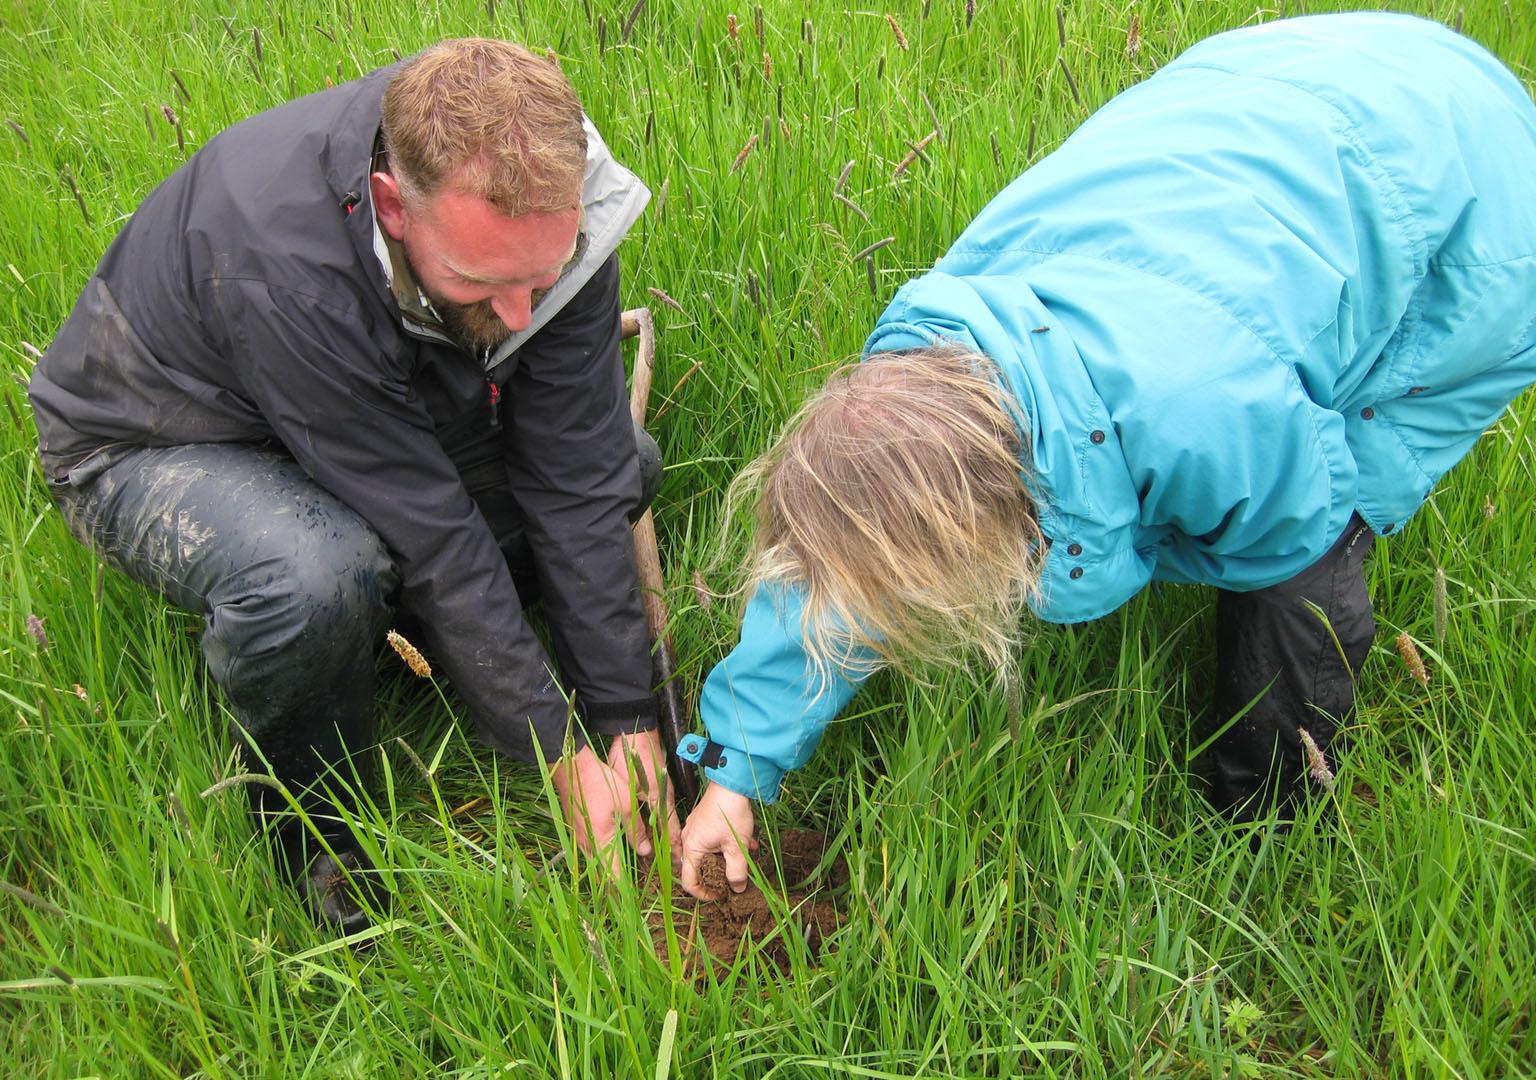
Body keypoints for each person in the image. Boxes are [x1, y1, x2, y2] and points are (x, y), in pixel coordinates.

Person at [676, 12, 1536, 898]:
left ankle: (1264, 837)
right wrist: (735, 773)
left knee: (1309, 556)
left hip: (1484, 201)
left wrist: (1147, 556)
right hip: (1280, 79)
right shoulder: (919, 371)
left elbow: (1292, 536)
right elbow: (851, 559)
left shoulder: (1210, 414)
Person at [28, 39, 679, 930]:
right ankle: (323, 860)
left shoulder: (550, 204)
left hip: (353, 406)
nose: (525, 313)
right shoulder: (283, 265)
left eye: (546, 275)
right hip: (156, 443)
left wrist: (620, 715)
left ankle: (381, 640)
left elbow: (574, 472)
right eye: (486, 283)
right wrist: (557, 750)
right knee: (314, 577)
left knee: (624, 467)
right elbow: (438, 536)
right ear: (393, 208)